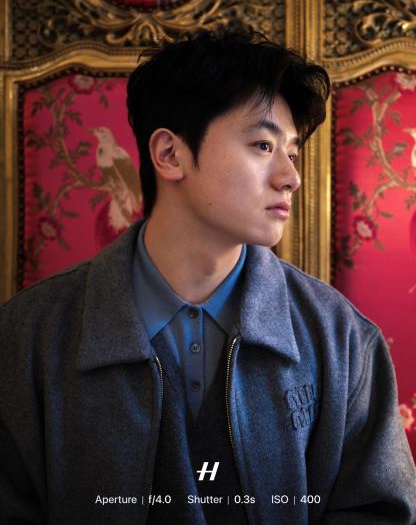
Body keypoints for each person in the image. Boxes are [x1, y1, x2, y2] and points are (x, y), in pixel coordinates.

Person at [0, 31, 415, 525]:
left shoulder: (342, 338)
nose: (290, 177)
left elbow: (379, 511)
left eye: (292, 153)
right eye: (262, 145)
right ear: (170, 154)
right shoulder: (28, 336)